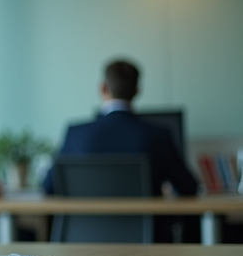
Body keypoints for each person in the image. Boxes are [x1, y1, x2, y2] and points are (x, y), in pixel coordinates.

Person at [41, 59, 199, 241]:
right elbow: (189, 187)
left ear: (102, 88)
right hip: (147, 245)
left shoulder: (75, 134)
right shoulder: (158, 135)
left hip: (82, 244)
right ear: (137, 91)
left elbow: (48, 186)